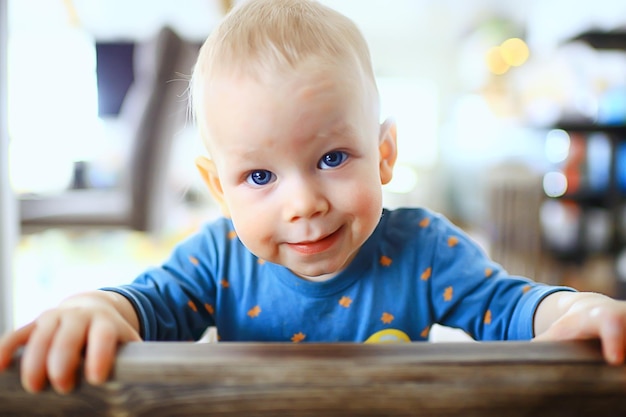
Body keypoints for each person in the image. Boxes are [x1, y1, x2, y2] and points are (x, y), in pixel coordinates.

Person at [2, 0, 626, 395]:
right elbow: (148, 304)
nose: (303, 204)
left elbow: (507, 305)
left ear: (383, 156)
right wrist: (97, 309)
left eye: (332, 159)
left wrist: (569, 313)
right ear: (219, 188)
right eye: (259, 178)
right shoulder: (217, 260)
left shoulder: (424, 248)